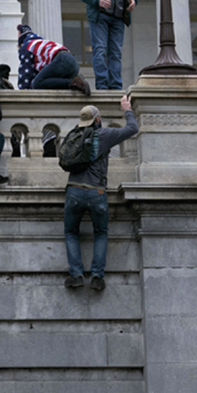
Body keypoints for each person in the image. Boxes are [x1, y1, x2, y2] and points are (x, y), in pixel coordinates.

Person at [63, 95, 138, 291]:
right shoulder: (103, 135)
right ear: (97, 119)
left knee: (71, 232)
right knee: (101, 233)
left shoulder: (74, 135)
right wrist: (127, 109)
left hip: (73, 190)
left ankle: (76, 275)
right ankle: (97, 276)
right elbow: (132, 129)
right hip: (96, 191)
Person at [16, 24, 91, 95]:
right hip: (73, 63)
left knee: (37, 83)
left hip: (62, 60)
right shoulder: (41, 44)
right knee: (47, 82)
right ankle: (77, 82)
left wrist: (24, 91)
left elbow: (25, 73)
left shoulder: (26, 46)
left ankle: (74, 82)